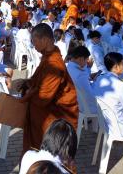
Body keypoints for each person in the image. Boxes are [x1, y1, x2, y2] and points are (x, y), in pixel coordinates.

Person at [19, 23, 79, 153]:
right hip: (46, 107)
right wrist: (26, 83)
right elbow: (37, 79)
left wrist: (24, 98)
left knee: (53, 154)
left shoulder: (55, 64)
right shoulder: (48, 56)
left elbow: (43, 97)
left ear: (45, 40)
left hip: (59, 116)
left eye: (34, 42)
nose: (34, 47)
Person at [66, 46, 97, 115]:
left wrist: (88, 69)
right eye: (86, 60)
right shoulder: (80, 75)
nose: (86, 63)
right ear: (81, 59)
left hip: (74, 104)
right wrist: (95, 83)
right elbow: (91, 95)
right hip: (85, 108)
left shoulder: (69, 67)